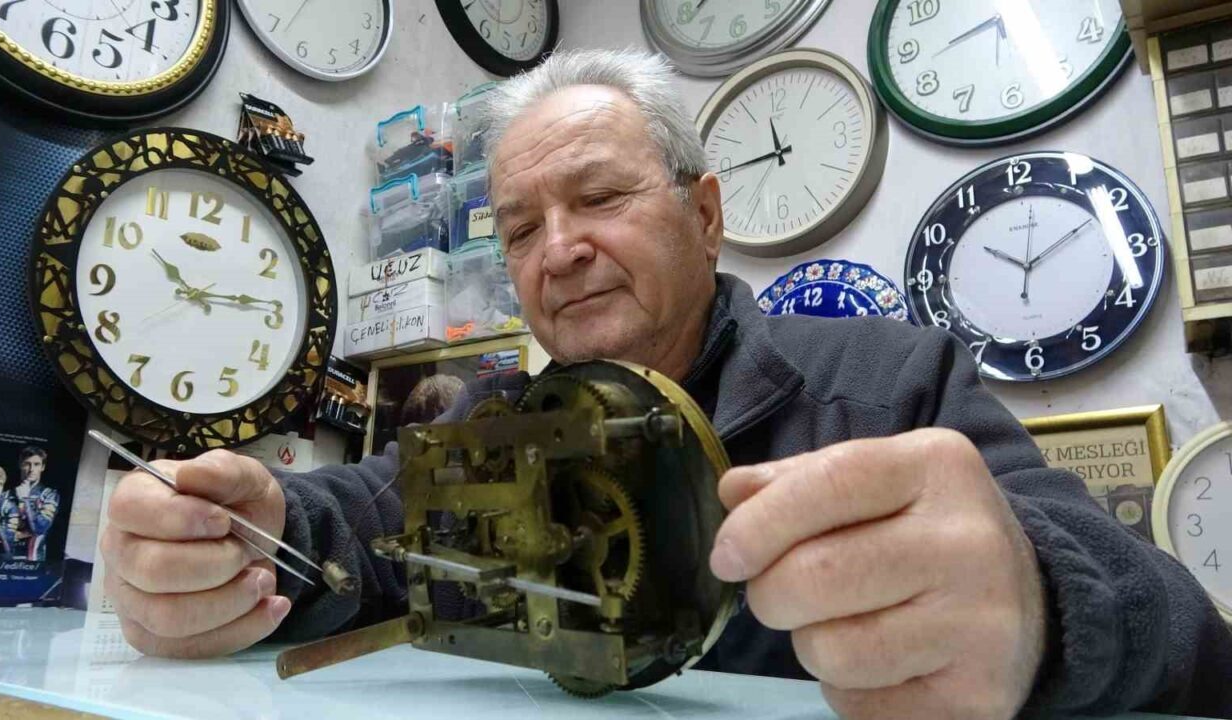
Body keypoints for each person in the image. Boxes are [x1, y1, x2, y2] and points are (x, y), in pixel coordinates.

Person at [99, 49, 1232, 719]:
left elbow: (1178, 629)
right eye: (520, 229)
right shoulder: (495, 419)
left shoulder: (890, 382)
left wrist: (1039, 607)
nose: (557, 251)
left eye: (598, 199)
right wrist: (251, 532)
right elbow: (359, 519)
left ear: (703, 214)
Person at [8, 446, 60, 562]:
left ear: (43, 467)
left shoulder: (49, 494)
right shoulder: (6, 495)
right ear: (20, 465)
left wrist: (25, 500)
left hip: (33, 561)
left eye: (36, 464)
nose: (31, 469)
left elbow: (40, 528)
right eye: (27, 464)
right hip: (4, 560)